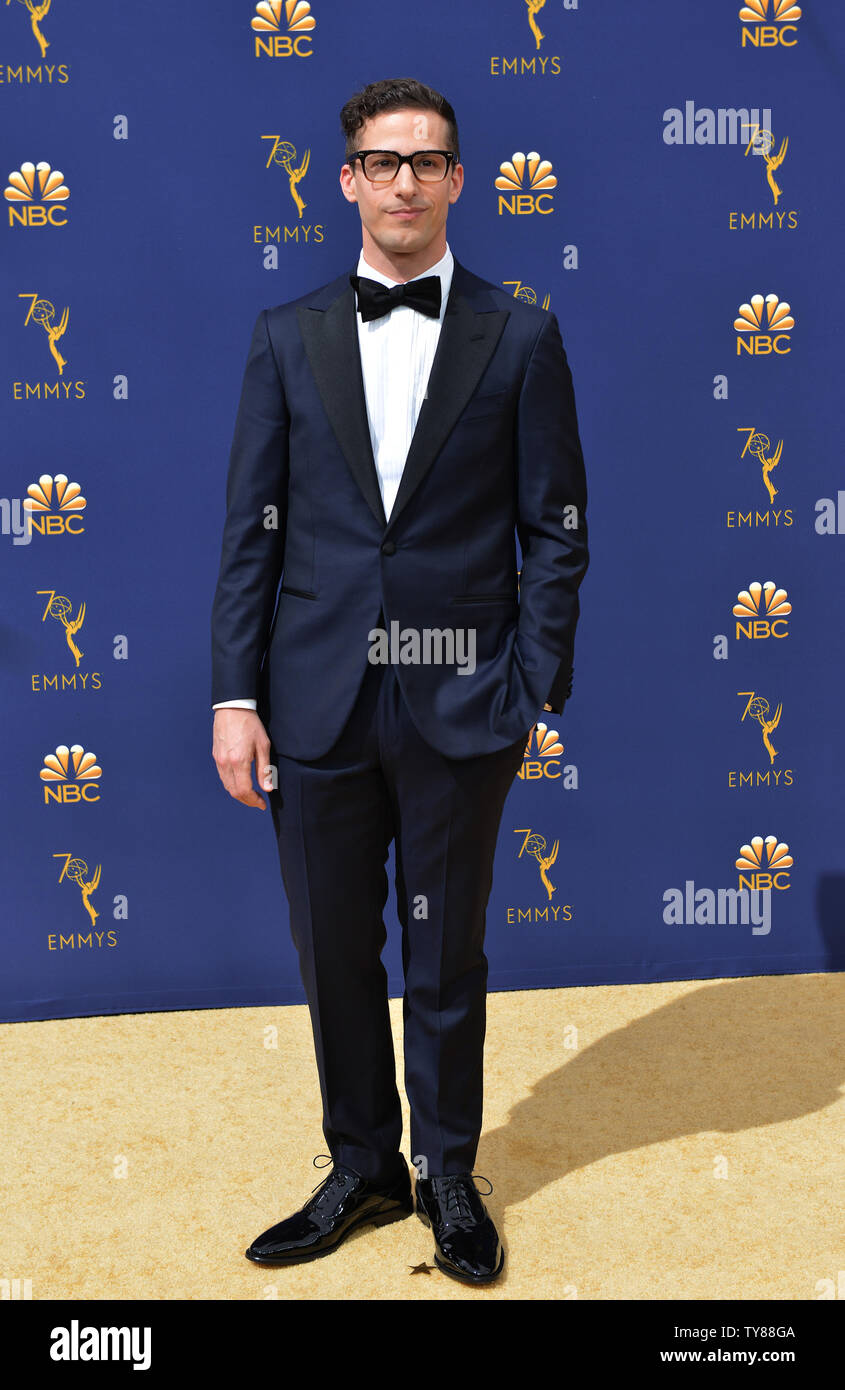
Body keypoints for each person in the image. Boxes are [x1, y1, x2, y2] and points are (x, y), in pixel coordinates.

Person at [210, 77, 589, 1285]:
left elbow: (556, 526)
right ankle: (362, 1163)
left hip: (457, 695)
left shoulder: (520, 334)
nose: (405, 182)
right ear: (346, 179)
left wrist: (531, 682)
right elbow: (249, 536)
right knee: (333, 951)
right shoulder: (284, 333)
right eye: (383, 161)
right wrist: (234, 694)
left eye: (427, 162)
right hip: (314, 692)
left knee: (445, 955)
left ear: (457, 180)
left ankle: (448, 1171)